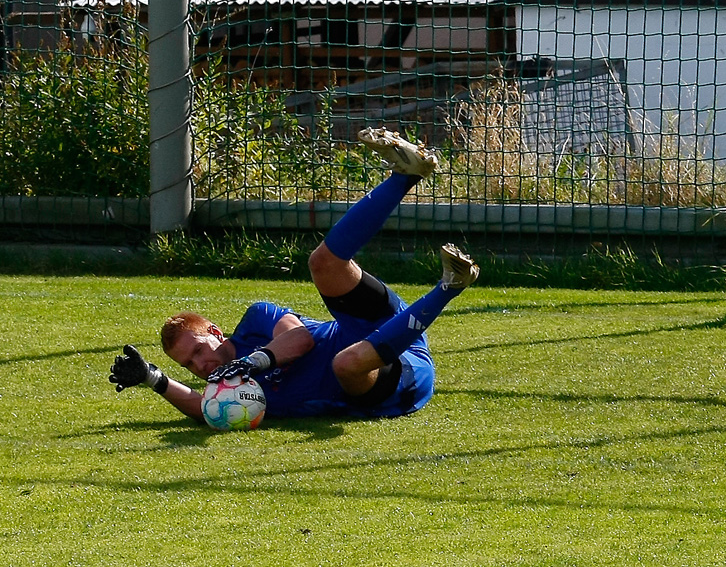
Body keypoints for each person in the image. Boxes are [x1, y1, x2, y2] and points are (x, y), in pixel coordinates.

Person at [108, 127, 479, 423]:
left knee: (323, 263)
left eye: (198, 351)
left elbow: (298, 339)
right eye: (188, 365)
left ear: (216, 333)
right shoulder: (233, 390)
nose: (200, 366)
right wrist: (152, 378)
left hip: (376, 329)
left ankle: (405, 175)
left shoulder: (257, 319)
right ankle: (449, 286)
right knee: (345, 364)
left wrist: (255, 361)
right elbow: (200, 406)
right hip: (389, 380)